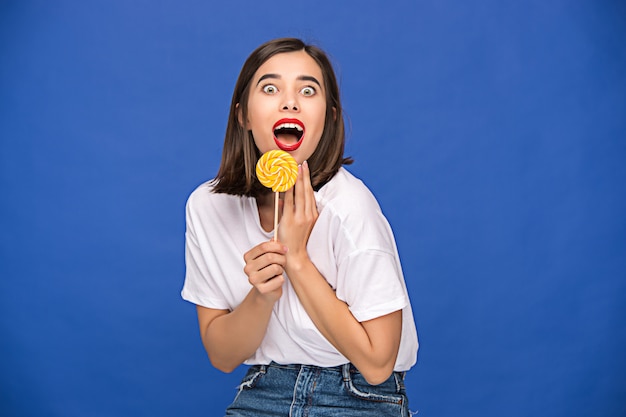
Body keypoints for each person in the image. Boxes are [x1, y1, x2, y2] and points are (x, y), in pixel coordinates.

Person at [181, 37, 418, 416]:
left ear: (329, 117)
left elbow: (377, 364)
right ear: (243, 114)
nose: (289, 101)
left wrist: (297, 261)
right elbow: (222, 356)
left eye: (308, 90)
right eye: (270, 88)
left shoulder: (349, 208)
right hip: (264, 389)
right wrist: (261, 295)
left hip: (356, 397)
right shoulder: (208, 207)